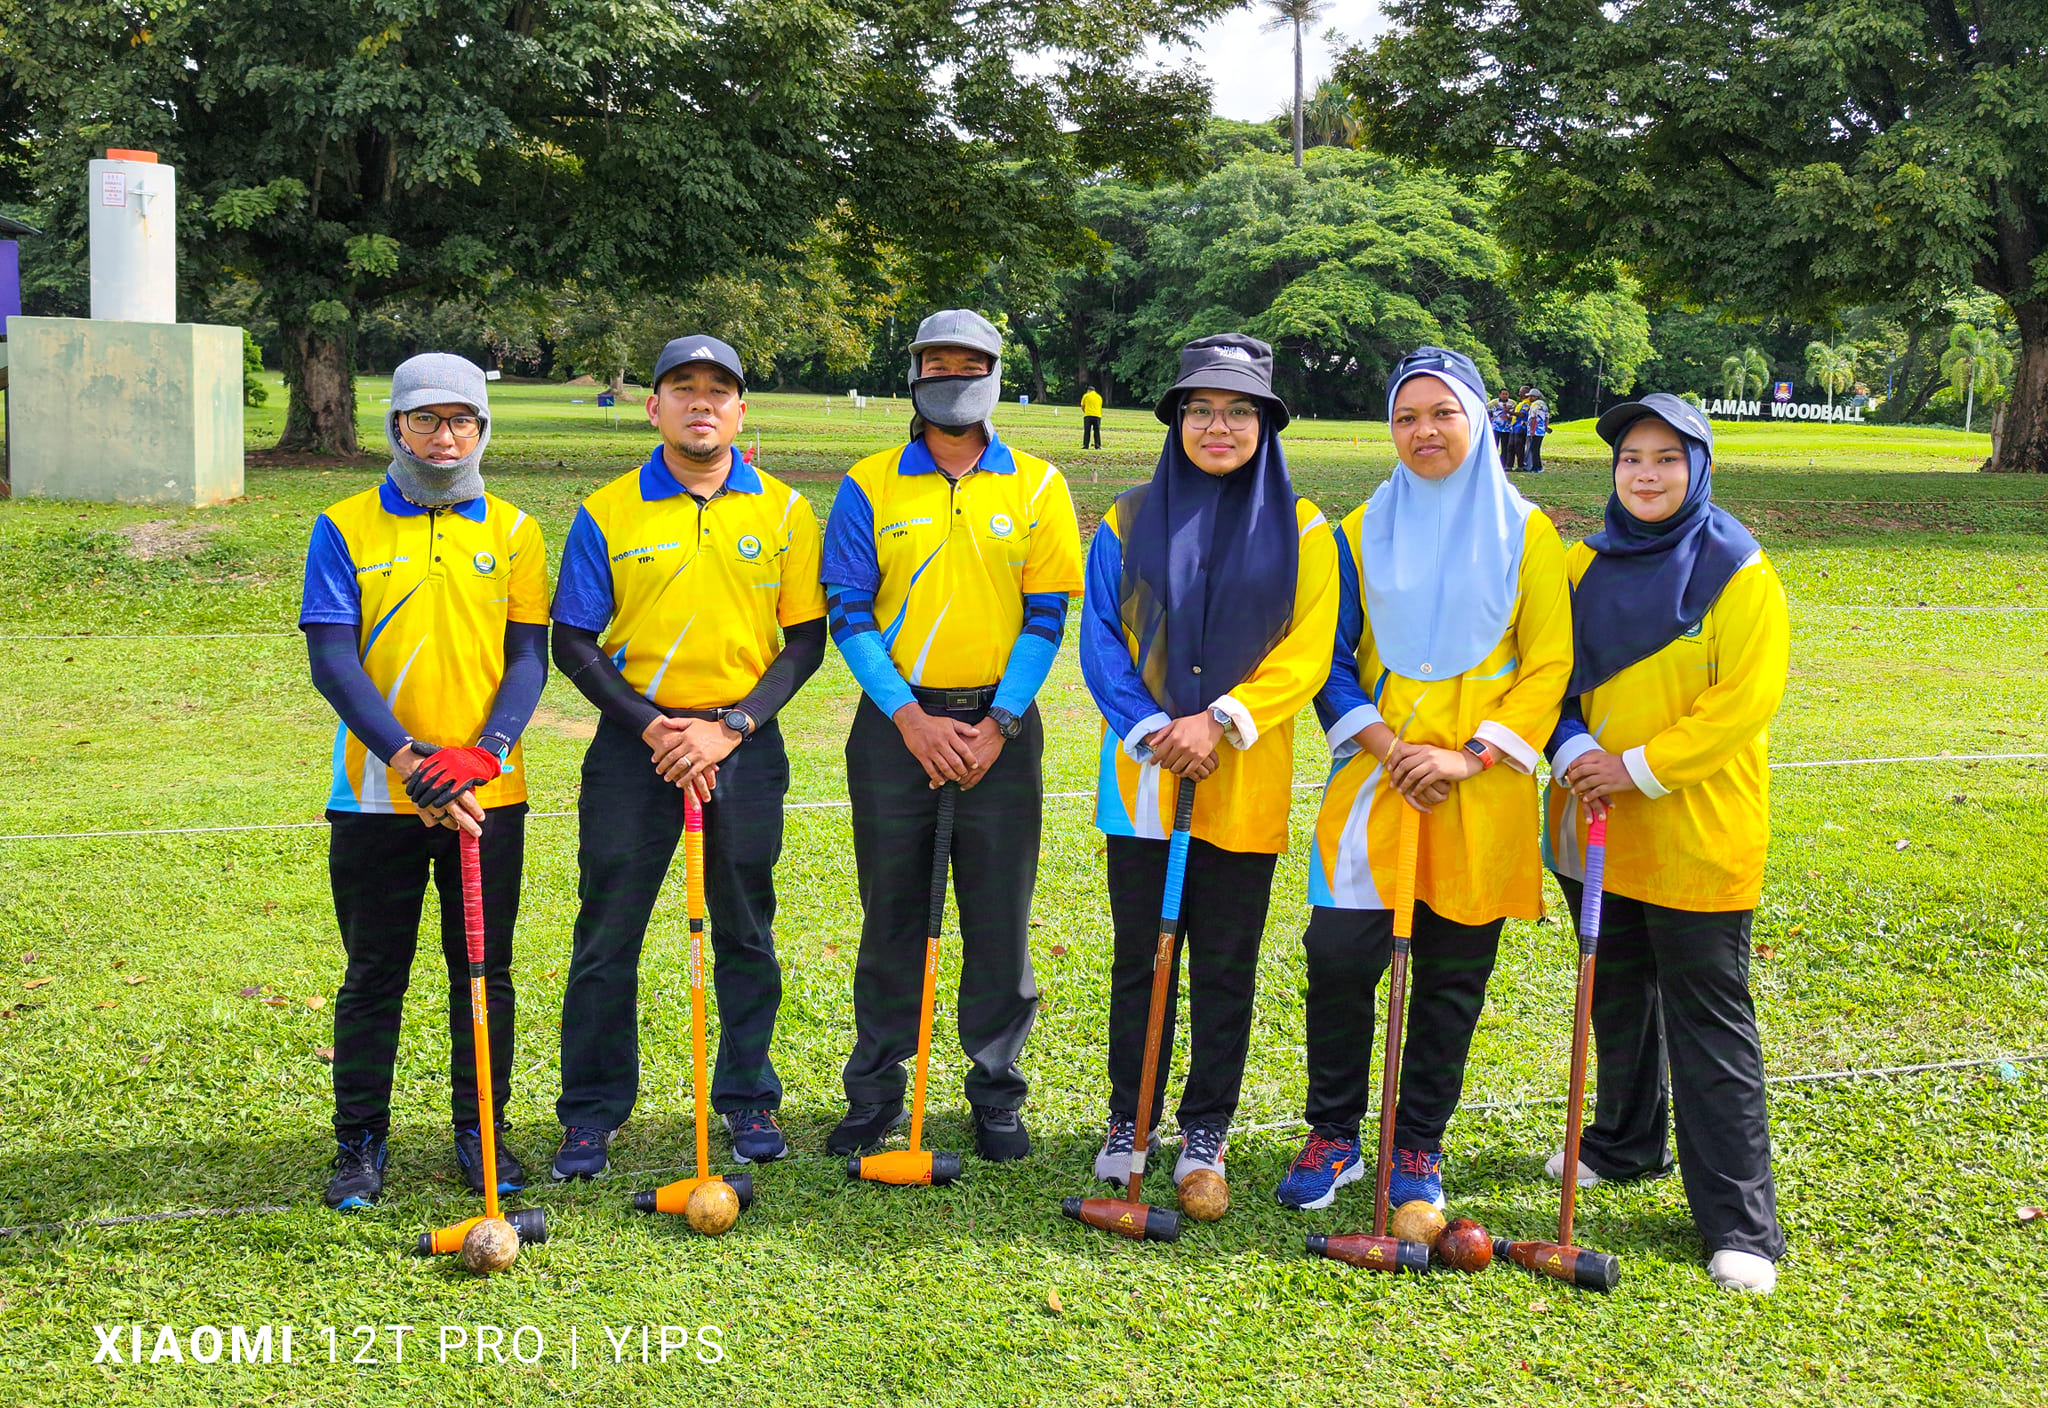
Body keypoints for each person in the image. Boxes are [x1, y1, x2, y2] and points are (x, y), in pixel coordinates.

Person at [1275, 345, 1570, 1213]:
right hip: (1375, 782)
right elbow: (1328, 662)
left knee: (1450, 976)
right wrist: (1383, 744)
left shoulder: (1530, 534)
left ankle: (1418, 1148)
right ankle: (1333, 1134)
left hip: (1480, 790)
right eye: (1406, 417)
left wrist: (1468, 755)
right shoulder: (1357, 532)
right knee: (1337, 955)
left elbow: (1549, 666)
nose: (1424, 431)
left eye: (1443, 413)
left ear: (1479, 419)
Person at [546, 336, 827, 1179]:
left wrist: (730, 726)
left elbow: (805, 641)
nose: (700, 403)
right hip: (636, 749)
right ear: (654, 406)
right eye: (683, 389)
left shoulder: (783, 511)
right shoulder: (607, 509)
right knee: (607, 935)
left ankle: (747, 1101)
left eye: (718, 390)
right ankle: (591, 1115)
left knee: (747, 929)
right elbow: (574, 640)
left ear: (742, 411)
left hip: (742, 745)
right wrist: (656, 729)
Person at [820, 309, 1084, 1161]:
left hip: (1001, 729)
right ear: (914, 374)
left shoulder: (1039, 483)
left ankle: (997, 1092)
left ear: (996, 375)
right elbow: (849, 614)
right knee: (893, 910)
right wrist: (911, 718)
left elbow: (1047, 618)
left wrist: (999, 722)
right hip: (897, 723)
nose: (952, 375)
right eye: (937, 362)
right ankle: (876, 1092)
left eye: (970, 363)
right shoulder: (869, 482)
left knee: (1000, 912)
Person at [1079, 334, 1338, 1200]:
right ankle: (1131, 1116)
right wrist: (1156, 727)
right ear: (1175, 422)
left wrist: (1224, 721)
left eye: (1237, 411)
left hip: (1244, 782)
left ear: (1267, 424)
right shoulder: (1123, 517)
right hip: (1145, 783)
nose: (1216, 426)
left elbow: (1306, 654)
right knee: (1141, 958)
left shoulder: (1306, 531)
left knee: (1227, 961)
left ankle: (1206, 1129)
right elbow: (1102, 645)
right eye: (1199, 410)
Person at [1542, 392, 1789, 1294]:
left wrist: (1635, 766)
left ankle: (1739, 1223)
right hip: (1593, 827)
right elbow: (1549, 678)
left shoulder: (1740, 570)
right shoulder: (1578, 564)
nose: (1645, 475)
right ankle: (1623, 1142)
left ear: (1699, 466)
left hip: (1695, 830)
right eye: (1630, 460)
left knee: (1709, 1021)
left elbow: (1741, 704)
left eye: (1664, 459)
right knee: (1616, 996)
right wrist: (1573, 749)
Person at [298, 353, 549, 1210]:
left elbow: (527, 657)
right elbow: (332, 659)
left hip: (489, 796)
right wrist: (412, 762)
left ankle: (482, 1132)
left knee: (485, 970)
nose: (447, 438)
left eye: (464, 421)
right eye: (428, 420)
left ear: (484, 428)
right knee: (375, 973)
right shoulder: (342, 525)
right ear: (395, 427)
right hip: (376, 794)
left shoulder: (514, 530)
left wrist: (487, 752)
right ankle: (360, 1145)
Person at [1525, 390, 1550, 474]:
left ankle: (1536, 467)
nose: (1529, 398)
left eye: (1531, 396)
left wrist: (1532, 430)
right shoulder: (1544, 405)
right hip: (1541, 430)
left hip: (1535, 430)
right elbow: (1547, 417)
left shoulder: (1535, 405)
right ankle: (1539, 466)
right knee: (1537, 448)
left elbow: (1533, 418)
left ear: (1536, 397)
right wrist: (1546, 427)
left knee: (1533, 449)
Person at [1081, 384, 1104, 449]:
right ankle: (1098, 445)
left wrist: (1085, 411)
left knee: (1087, 431)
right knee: (1097, 431)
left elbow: (1082, 405)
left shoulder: (1086, 396)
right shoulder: (1099, 397)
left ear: (1088, 391)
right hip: (1097, 415)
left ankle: (1086, 445)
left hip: (1088, 415)